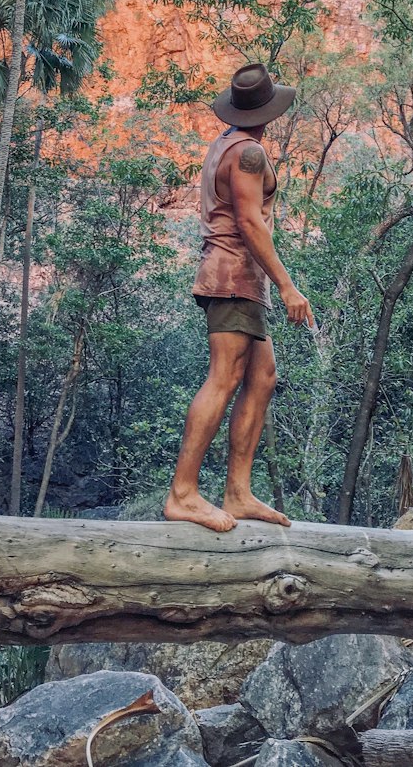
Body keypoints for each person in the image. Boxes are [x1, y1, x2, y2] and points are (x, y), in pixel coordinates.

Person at [163, 62, 315, 532]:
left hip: (240, 281)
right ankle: (183, 494)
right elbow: (250, 223)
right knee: (225, 378)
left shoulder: (226, 143)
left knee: (263, 376)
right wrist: (289, 285)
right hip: (231, 277)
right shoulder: (249, 153)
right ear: (269, 110)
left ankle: (238, 492)